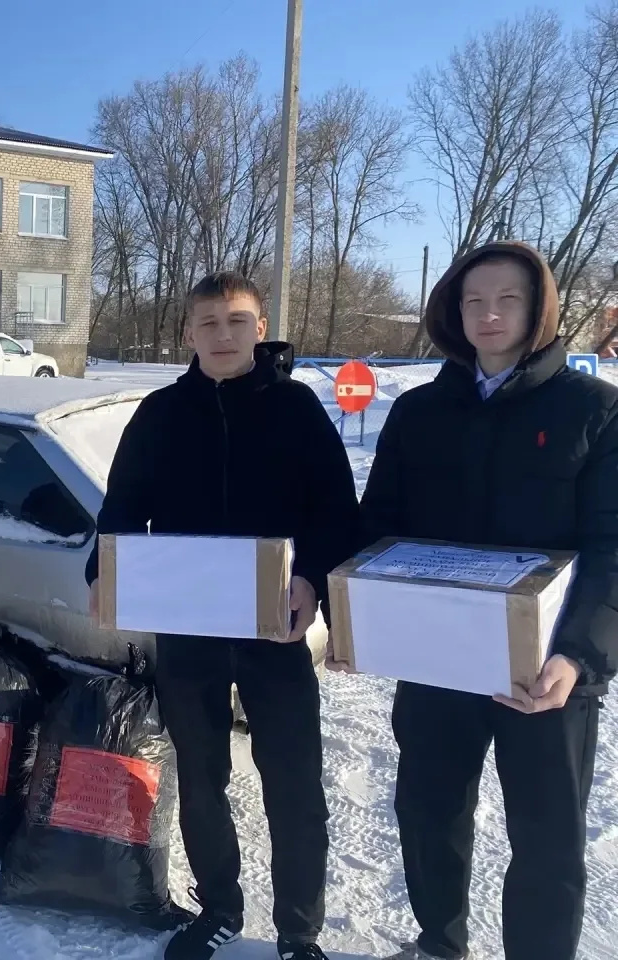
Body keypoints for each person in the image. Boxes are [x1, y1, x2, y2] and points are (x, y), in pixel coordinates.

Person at [85, 272, 359, 960]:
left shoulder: (296, 408)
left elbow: (335, 509)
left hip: (274, 627)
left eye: (237, 320)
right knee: (202, 778)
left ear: (260, 329)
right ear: (188, 333)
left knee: (293, 783)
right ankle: (220, 909)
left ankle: (299, 932)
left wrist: (312, 580)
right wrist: (104, 575)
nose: (223, 334)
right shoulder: (161, 413)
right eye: (208, 322)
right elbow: (123, 507)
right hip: (188, 628)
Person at [359, 241, 618, 960]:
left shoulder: (595, 411)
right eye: (474, 300)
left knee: (546, 834)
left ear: (539, 309)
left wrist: (578, 655)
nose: (489, 314)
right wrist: (360, 623)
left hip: (546, 672)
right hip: (437, 658)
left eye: (508, 299)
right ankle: (438, 942)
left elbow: (613, 548)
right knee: (428, 811)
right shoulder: (419, 412)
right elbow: (378, 529)